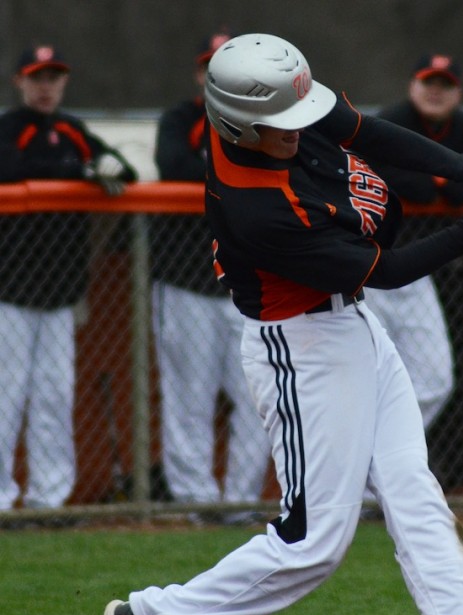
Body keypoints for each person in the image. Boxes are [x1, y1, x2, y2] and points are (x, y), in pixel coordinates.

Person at [104, 32, 463, 615]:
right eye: (281, 123)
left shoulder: (277, 101)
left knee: (414, 493)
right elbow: (388, 272)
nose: (298, 128)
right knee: (311, 543)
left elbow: (368, 132)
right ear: (238, 124)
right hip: (302, 347)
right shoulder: (258, 205)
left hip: (355, 328)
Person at [368, 54, 463, 490]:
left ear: (459, 92)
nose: (436, 91)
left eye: (445, 84)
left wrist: (445, 187)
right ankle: (366, 477)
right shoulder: (392, 120)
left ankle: (379, 473)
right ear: (412, 85)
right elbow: (376, 168)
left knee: (433, 380)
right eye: (428, 81)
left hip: (424, 268)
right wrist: (439, 185)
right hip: (370, 265)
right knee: (364, 378)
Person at [0, 44, 137, 512]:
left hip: (61, 293)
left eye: (54, 78)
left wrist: (103, 166)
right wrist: (82, 171)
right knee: (6, 397)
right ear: (20, 81)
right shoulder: (9, 128)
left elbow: (128, 171)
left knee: (54, 399)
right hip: (11, 292)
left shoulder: (72, 130)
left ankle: (49, 499)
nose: (46, 87)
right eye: (38, 78)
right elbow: (13, 168)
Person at [151, 31, 269, 522]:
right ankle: (195, 501)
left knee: (259, 401)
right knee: (189, 401)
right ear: (202, 76)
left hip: (248, 288)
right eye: (209, 68)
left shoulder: (265, 122)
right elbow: (173, 165)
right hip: (186, 283)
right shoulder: (183, 119)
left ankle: (241, 503)